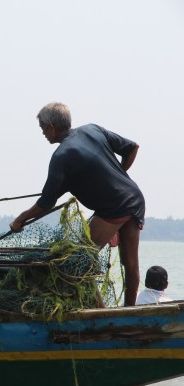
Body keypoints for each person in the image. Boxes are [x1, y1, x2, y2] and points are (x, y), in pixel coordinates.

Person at [9, 102, 145, 306]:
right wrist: (119, 176)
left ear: (51, 127)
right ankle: (130, 310)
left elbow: (45, 203)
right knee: (130, 264)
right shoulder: (93, 129)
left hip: (113, 209)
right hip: (134, 198)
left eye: (43, 129)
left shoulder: (60, 157)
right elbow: (132, 147)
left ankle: (102, 313)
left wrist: (20, 220)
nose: (43, 134)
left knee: (78, 262)